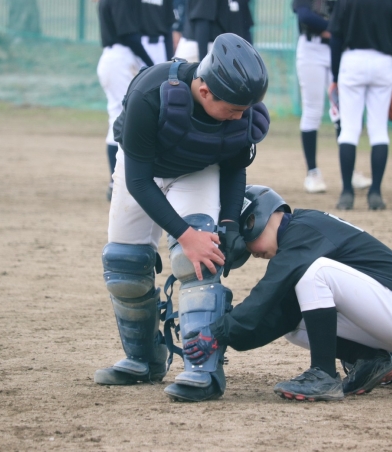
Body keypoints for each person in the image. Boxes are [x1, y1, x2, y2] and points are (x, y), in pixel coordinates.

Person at [95, 33, 271, 404]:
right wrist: (184, 234)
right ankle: (143, 359)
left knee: (199, 262)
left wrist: (228, 225)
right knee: (125, 267)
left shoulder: (241, 106)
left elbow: (234, 166)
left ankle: (202, 370)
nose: (240, 116)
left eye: (245, 109)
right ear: (204, 91)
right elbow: (139, 182)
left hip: (197, 171)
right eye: (233, 109)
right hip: (143, 171)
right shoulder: (150, 93)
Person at [181, 185, 392, 402]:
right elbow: (271, 314)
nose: (251, 252)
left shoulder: (302, 231)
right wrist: (231, 337)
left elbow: (265, 292)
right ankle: (369, 359)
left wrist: (218, 331)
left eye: (246, 243)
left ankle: (323, 375)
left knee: (315, 273)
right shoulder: (299, 231)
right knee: (291, 318)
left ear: (253, 221)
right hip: (388, 315)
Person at [328, 0, 392, 210]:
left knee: (349, 130)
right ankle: (375, 193)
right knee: (379, 131)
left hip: (352, 61)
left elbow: (336, 37)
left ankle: (347, 193)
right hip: (383, 64)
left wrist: (336, 75)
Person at [292, 0, 371, 194]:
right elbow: (305, 15)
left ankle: (349, 171)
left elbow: (351, 15)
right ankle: (312, 173)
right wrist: (335, 28)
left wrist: (335, 31)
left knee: (343, 111)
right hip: (311, 49)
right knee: (312, 110)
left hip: (337, 48)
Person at [97, 0, 155, 202]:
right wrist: (151, 63)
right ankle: (117, 182)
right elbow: (128, 34)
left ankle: (116, 182)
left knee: (119, 116)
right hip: (119, 58)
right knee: (123, 117)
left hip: (116, 57)